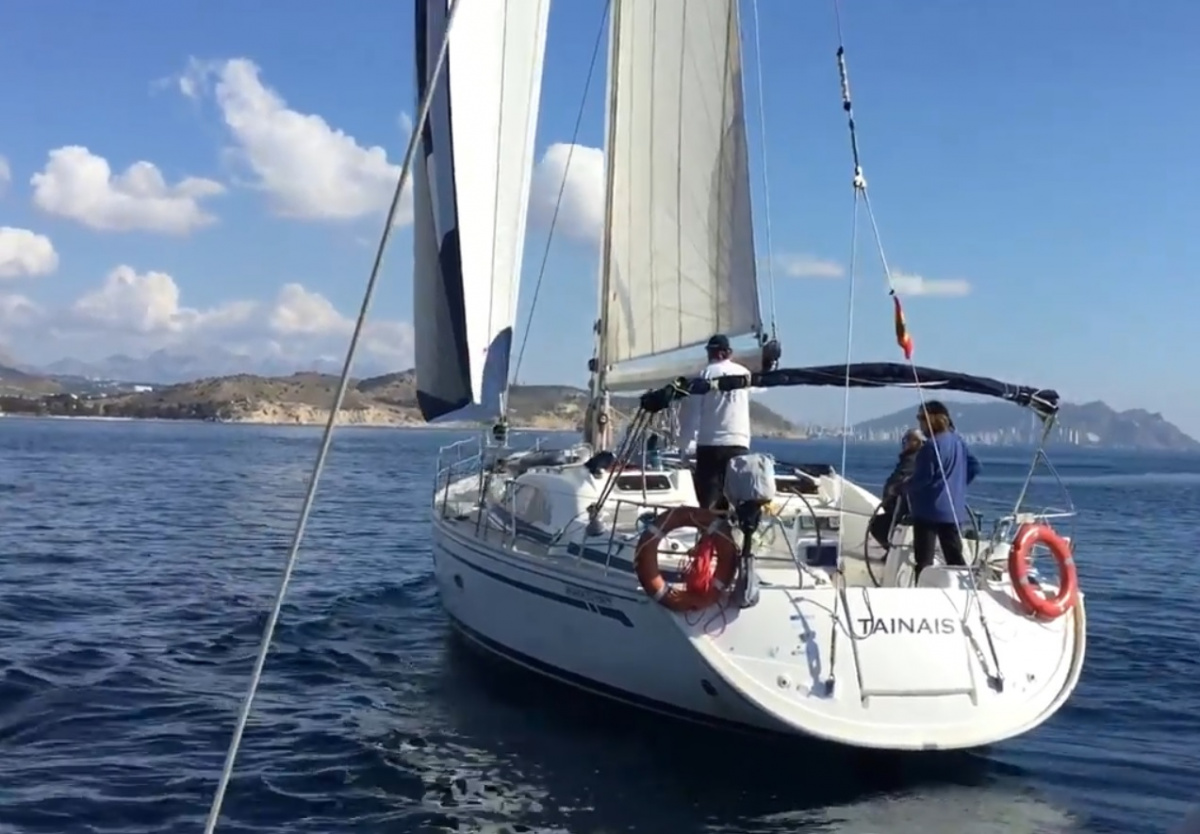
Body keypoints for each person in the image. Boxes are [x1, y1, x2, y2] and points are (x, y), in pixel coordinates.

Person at [905, 400, 981, 581]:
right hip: (953, 510)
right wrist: (958, 485)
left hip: (928, 511)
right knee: (955, 559)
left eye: (922, 419)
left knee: (924, 561)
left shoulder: (930, 447)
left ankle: (922, 594)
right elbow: (976, 467)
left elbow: (923, 479)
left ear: (933, 420)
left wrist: (904, 487)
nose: (920, 424)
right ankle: (963, 592)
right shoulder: (959, 442)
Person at [677, 334, 752, 510]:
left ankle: (710, 534)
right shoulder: (745, 374)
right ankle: (731, 535)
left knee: (709, 502)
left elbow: (692, 412)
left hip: (710, 446)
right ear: (728, 353)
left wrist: (685, 446)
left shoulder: (704, 375)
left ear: (714, 353)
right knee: (735, 501)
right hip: (739, 444)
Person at [868, 428, 923, 551]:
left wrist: (894, 490)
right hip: (899, 505)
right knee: (880, 523)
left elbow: (903, 479)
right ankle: (892, 552)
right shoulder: (910, 457)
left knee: (878, 525)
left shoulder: (913, 459)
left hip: (904, 507)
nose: (904, 443)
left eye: (907, 440)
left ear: (916, 442)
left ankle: (892, 553)